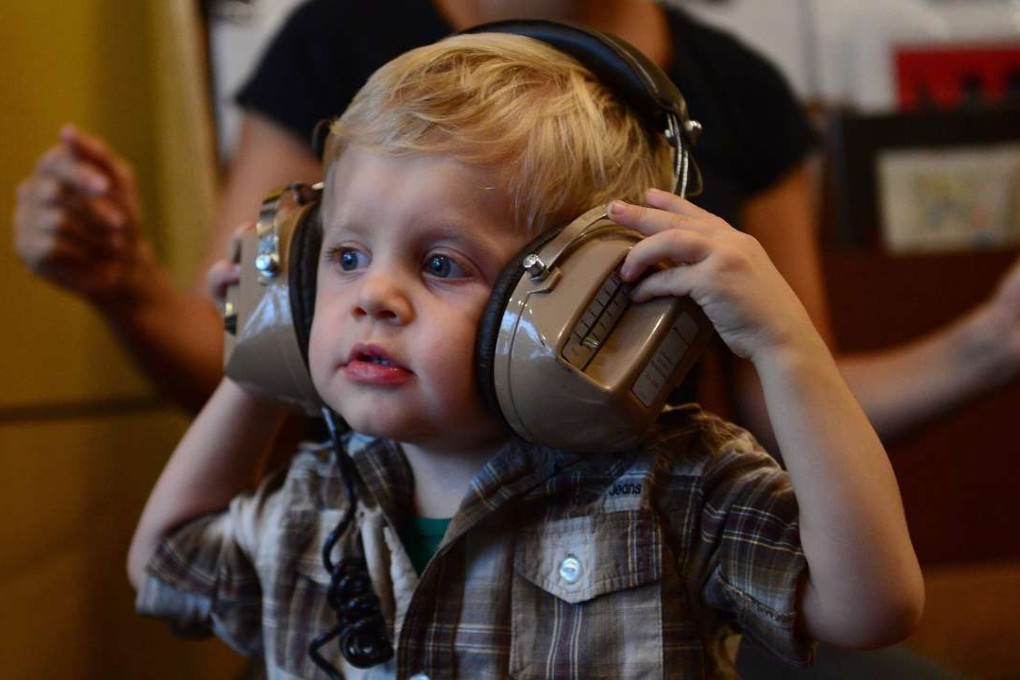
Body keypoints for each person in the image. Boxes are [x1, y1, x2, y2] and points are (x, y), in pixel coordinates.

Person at [127, 28, 923, 678]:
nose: (373, 296)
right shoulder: (316, 500)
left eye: (442, 264)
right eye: (344, 257)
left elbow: (870, 605)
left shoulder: (675, 490)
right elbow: (168, 569)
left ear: (585, 303)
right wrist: (268, 342)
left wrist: (784, 345)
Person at [13, 0, 1020, 450]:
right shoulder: (340, 38)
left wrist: (990, 340)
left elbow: (786, 394)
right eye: (357, 254)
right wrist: (127, 284)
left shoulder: (741, 93)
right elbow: (260, 333)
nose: (381, 284)